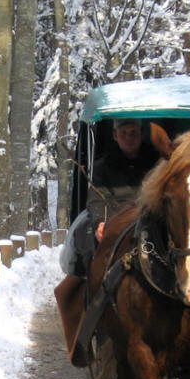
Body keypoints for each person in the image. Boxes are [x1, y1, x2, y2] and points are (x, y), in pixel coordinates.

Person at [60, 118, 158, 277]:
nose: (129, 138)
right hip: (115, 219)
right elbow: (96, 198)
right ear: (115, 135)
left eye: (133, 133)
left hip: (148, 219)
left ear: (141, 134)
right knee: (84, 236)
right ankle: (87, 285)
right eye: (124, 133)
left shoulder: (156, 162)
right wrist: (100, 222)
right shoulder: (103, 166)